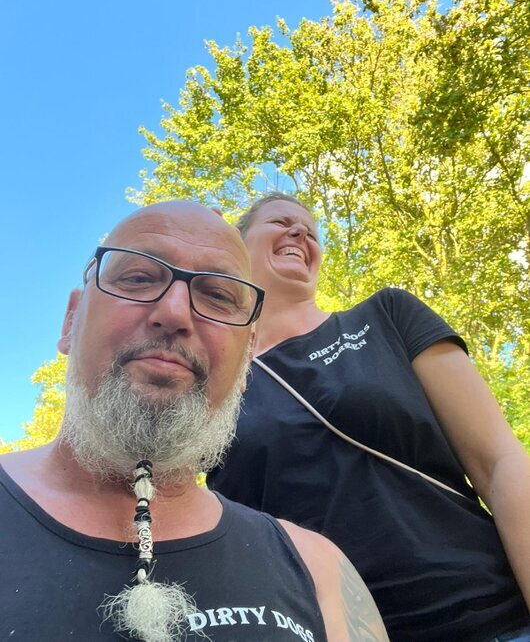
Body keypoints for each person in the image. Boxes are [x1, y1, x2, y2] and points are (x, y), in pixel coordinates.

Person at [0, 200, 389, 642]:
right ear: (71, 320)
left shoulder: (318, 570)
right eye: (138, 277)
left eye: (218, 296)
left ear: (247, 356)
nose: (174, 313)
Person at [208, 192, 530, 642]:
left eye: (311, 231)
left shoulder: (387, 315)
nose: (300, 232)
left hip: (495, 619)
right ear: (237, 243)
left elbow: (499, 463)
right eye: (280, 222)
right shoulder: (210, 380)